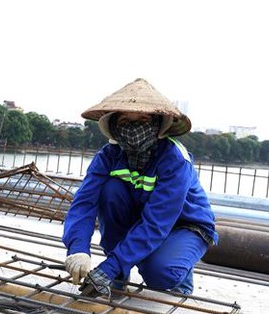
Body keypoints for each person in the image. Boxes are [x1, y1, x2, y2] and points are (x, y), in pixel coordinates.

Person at [63, 78, 218, 297]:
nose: (135, 127)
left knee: (158, 273)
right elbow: (84, 203)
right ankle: (119, 272)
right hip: (142, 219)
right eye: (126, 119)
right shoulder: (108, 156)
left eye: (144, 118)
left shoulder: (174, 160)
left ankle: (179, 273)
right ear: (115, 126)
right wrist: (77, 248)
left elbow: (157, 223)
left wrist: (108, 267)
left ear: (157, 124)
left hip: (184, 226)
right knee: (110, 190)